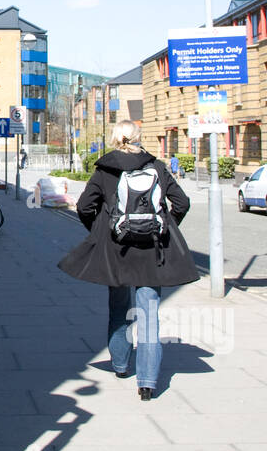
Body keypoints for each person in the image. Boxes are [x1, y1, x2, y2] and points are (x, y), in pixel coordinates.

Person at [57, 120, 196, 401]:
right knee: (149, 316)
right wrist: (164, 227)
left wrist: (99, 230)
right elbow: (181, 203)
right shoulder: (156, 167)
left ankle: (121, 366)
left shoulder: (105, 168)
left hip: (117, 250)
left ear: (115, 138)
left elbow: (84, 206)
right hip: (152, 253)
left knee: (118, 309)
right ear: (138, 138)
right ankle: (147, 383)